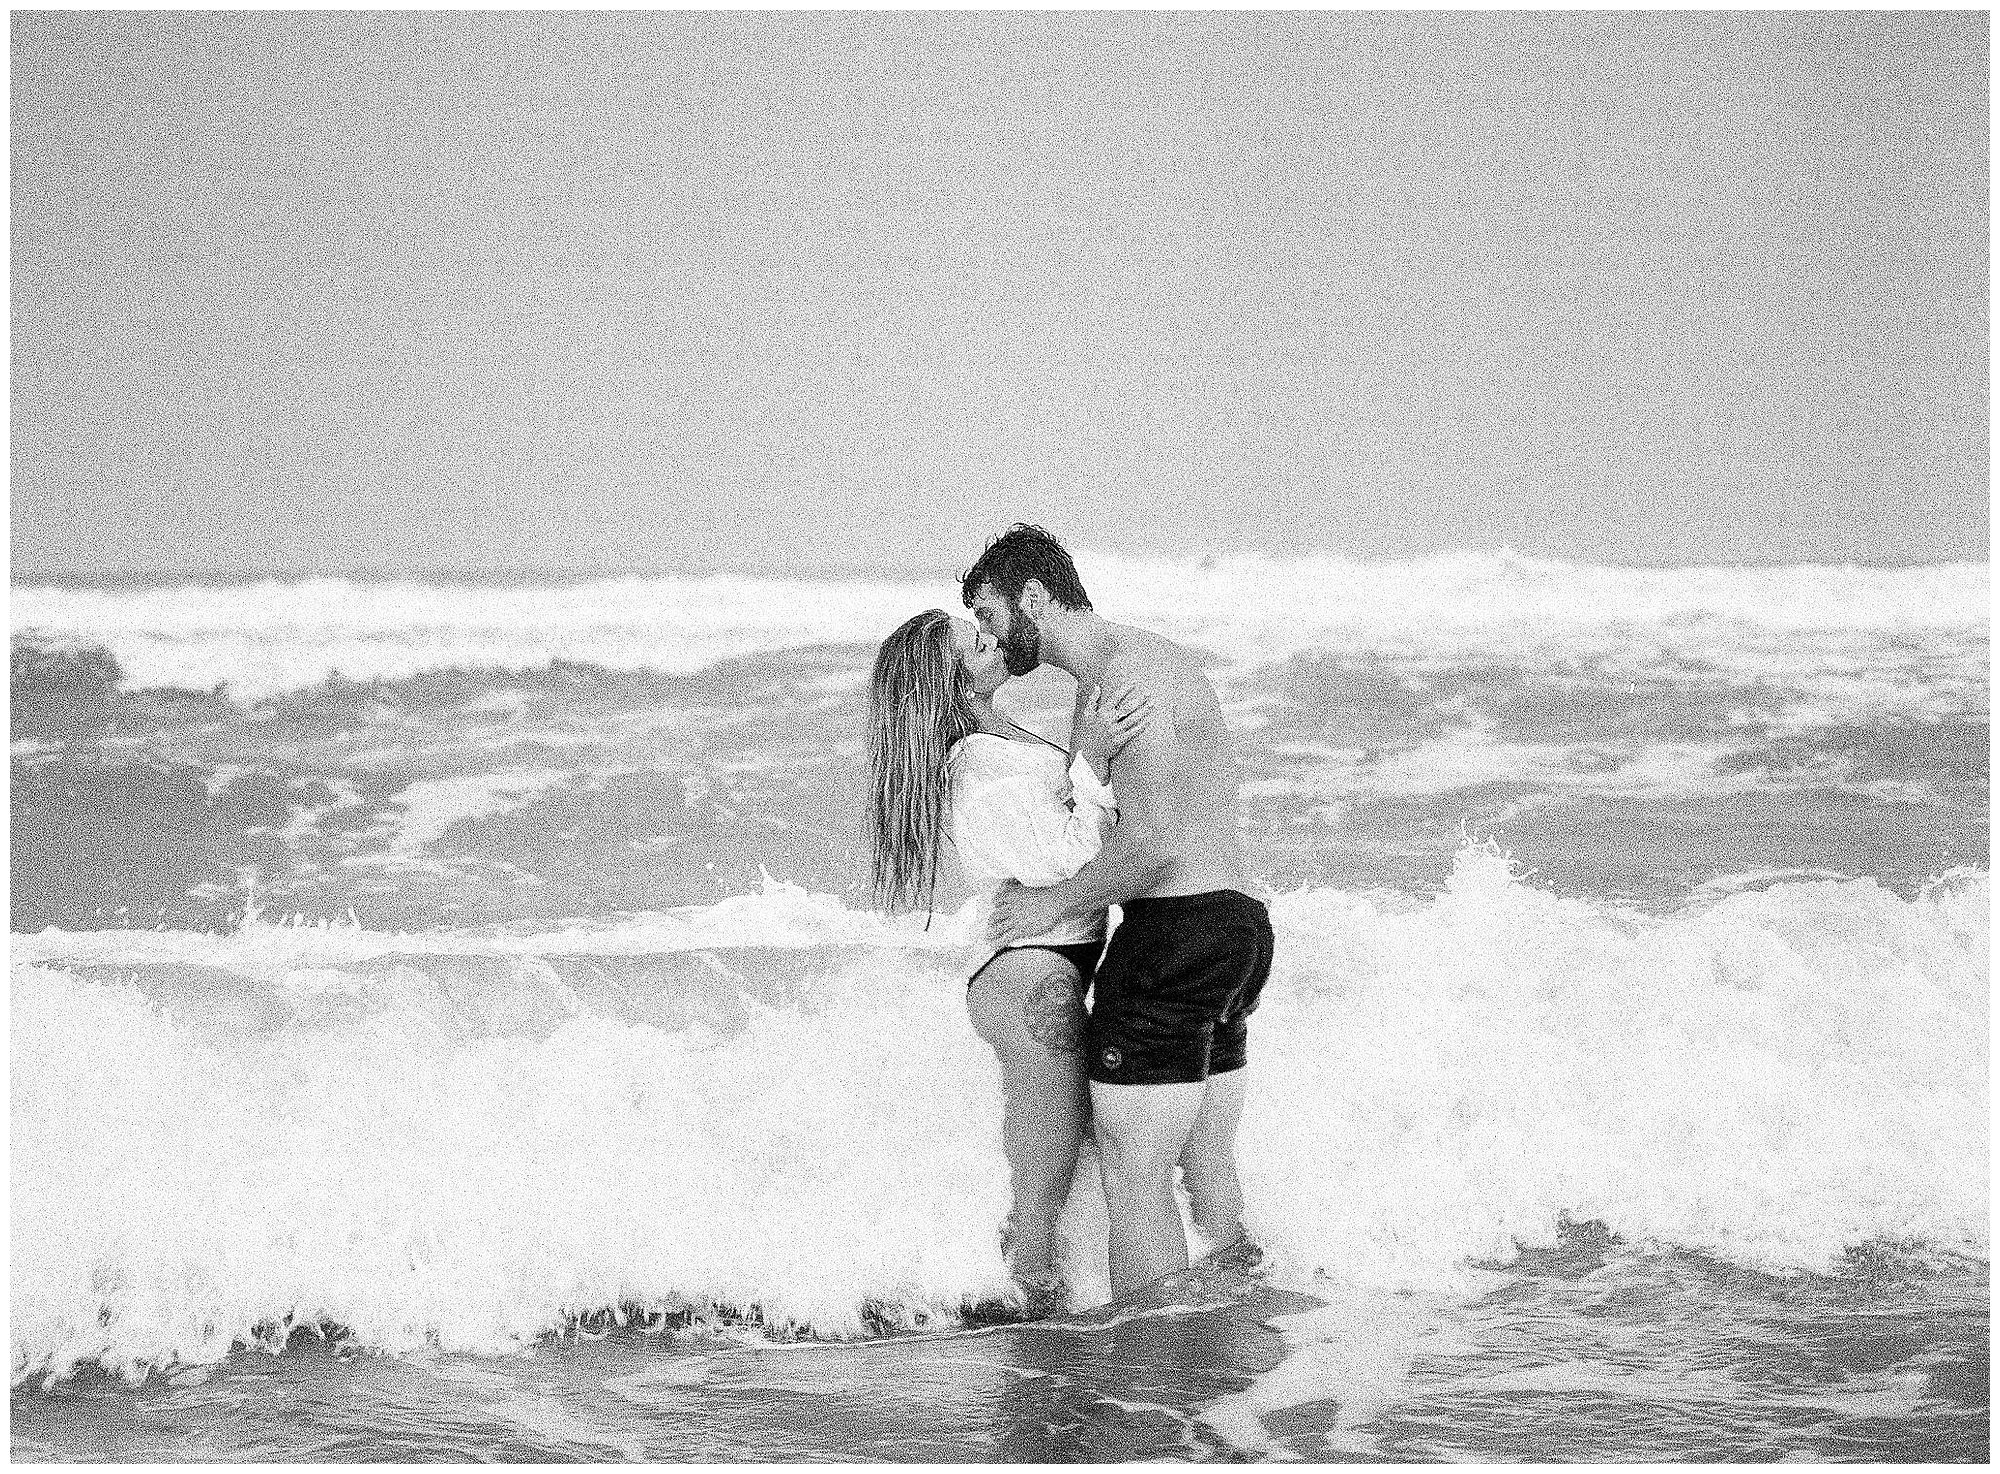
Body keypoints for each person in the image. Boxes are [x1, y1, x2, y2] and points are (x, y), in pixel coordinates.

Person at [964, 525, 1274, 1300]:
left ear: (1033, 597)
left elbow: (1154, 844)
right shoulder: (1140, 663)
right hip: (1237, 931)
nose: (987, 634)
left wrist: (1049, 905)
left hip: (1173, 933)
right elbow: (1107, 817)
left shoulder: (1119, 681)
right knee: (1205, 1165)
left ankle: (1156, 1381)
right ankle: (1238, 1358)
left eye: (988, 612)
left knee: (1137, 1181)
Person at [865, 608, 1152, 1311]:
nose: (991, 640)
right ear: (947, 679)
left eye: (981, 629)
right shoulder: (979, 768)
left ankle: (1031, 1306)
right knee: (1042, 1192)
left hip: (1045, 962)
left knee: (1070, 1149)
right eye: (975, 643)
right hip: (1030, 972)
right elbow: (1072, 854)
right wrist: (1089, 762)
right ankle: (1022, 1300)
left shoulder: (999, 744)